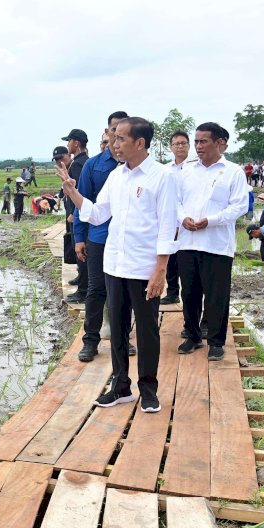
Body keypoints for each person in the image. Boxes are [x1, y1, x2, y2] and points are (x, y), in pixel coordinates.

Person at [59, 117, 177, 413]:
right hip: (114, 265)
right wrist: (73, 192)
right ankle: (121, 386)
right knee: (119, 328)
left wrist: (160, 271)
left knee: (148, 332)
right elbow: (98, 214)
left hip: (144, 268)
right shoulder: (117, 176)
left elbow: (167, 227)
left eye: (121, 138)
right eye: (113, 137)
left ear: (140, 143)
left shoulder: (162, 177)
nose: (115, 143)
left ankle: (148, 389)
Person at [176, 122, 248, 361]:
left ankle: (216, 342)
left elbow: (239, 206)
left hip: (216, 244)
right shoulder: (186, 170)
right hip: (187, 243)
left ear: (219, 143)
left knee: (217, 295)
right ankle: (193, 336)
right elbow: (175, 201)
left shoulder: (233, 171)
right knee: (190, 294)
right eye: (196, 141)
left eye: (203, 141)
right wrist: (182, 217)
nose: (197, 146)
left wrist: (211, 220)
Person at [72, 111, 130, 361]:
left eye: (123, 133)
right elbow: (81, 203)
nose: (117, 138)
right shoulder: (93, 166)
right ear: (107, 133)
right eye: (113, 131)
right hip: (99, 237)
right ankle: (90, 341)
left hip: (128, 239)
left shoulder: (134, 168)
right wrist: (79, 238)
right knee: (96, 290)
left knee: (125, 291)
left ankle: (122, 339)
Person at [162, 131, 191, 305]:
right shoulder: (165, 170)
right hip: (171, 221)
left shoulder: (195, 167)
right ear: (171, 147)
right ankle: (172, 292)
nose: (180, 146)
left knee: (186, 261)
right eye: (176, 144)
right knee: (170, 258)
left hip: (189, 221)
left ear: (189, 145)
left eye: (183, 143)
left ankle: (189, 296)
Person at [62, 129, 90, 304]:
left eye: (69, 141)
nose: (68, 145)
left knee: (82, 254)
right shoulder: (81, 162)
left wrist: (74, 213)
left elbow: (80, 191)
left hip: (78, 215)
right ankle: (82, 284)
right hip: (78, 214)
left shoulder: (80, 164)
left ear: (77, 143)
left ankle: (83, 291)